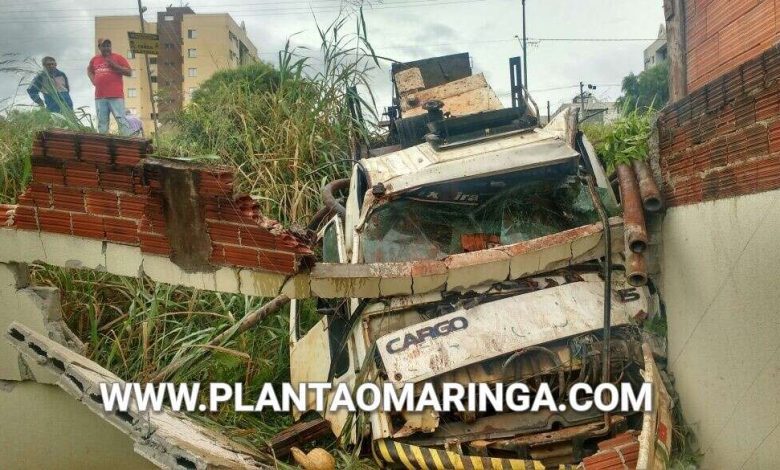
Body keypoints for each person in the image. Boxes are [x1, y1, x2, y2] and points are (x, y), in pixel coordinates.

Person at [87, 39, 132, 135]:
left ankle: (127, 143)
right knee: (102, 122)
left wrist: (115, 66)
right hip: (100, 97)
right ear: (99, 47)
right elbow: (89, 70)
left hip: (116, 96)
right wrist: (93, 80)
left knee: (121, 120)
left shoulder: (118, 58)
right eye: (104, 46)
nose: (107, 48)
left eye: (108, 45)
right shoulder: (95, 59)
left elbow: (129, 72)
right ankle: (104, 145)